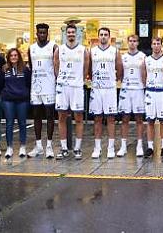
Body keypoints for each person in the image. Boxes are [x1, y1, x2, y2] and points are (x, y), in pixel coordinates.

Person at [55, 24, 88, 160]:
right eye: (68, 32)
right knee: (62, 117)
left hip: (77, 87)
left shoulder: (83, 50)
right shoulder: (59, 49)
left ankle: (77, 148)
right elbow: (56, 65)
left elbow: (86, 67)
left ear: (77, 34)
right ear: (65, 34)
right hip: (63, 87)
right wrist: (61, 79)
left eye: (73, 32)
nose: (71, 34)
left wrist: (80, 80)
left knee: (78, 118)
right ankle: (64, 148)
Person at [89, 27, 123, 159]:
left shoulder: (115, 51)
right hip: (97, 89)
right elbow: (89, 68)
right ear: (98, 36)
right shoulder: (92, 51)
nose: (103, 37)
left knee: (111, 118)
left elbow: (119, 68)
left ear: (109, 37)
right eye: (101, 34)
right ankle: (97, 148)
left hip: (109, 89)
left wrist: (115, 80)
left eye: (106, 35)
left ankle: (110, 148)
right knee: (97, 118)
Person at [27, 23, 57, 159]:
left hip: (49, 86)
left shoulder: (54, 47)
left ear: (47, 33)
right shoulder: (31, 48)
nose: (42, 35)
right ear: (37, 33)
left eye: (45, 32)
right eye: (40, 32)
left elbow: (57, 66)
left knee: (50, 116)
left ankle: (49, 146)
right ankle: (38, 146)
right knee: (36, 116)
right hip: (36, 87)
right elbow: (32, 67)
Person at [118, 34, 147, 158]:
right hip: (126, 89)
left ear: (138, 43)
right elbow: (119, 73)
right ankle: (123, 146)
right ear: (127, 42)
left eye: (134, 41)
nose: (132, 43)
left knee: (139, 119)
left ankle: (139, 146)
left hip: (139, 90)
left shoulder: (143, 57)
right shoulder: (122, 57)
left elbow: (145, 73)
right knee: (124, 119)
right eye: (130, 41)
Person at [1, 48, 32, 159]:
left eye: (15, 55)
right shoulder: (4, 69)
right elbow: (1, 84)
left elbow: (28, 84)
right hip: (8, 100)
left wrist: (25, 95)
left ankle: (22, 146)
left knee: (22, 123)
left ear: (19, 56)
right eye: (11, 55)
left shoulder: (25, 69)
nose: (13, 57)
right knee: (9, 123)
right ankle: (9, 147)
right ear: (8, 57)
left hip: (22, 100)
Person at [143, 37, 163, 159]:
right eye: (154, 43)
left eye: (158, 43)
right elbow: (143, 75)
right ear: (151, 46)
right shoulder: (146, 60)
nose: (156, 45)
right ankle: (150, 147)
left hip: (162, 92)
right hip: (150, 92)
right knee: (150, 121)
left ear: (161, 45)